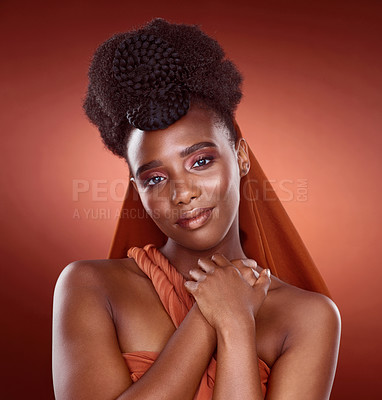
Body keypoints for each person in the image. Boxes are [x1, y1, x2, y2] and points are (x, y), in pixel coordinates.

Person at [52, 18, 341, 400]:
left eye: (200, 161)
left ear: (240, 157)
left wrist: (236, 324)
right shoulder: (91, 287)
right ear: (136, 190)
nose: (182, 194)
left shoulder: (308, 318)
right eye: (155, 179)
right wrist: (210, 315)